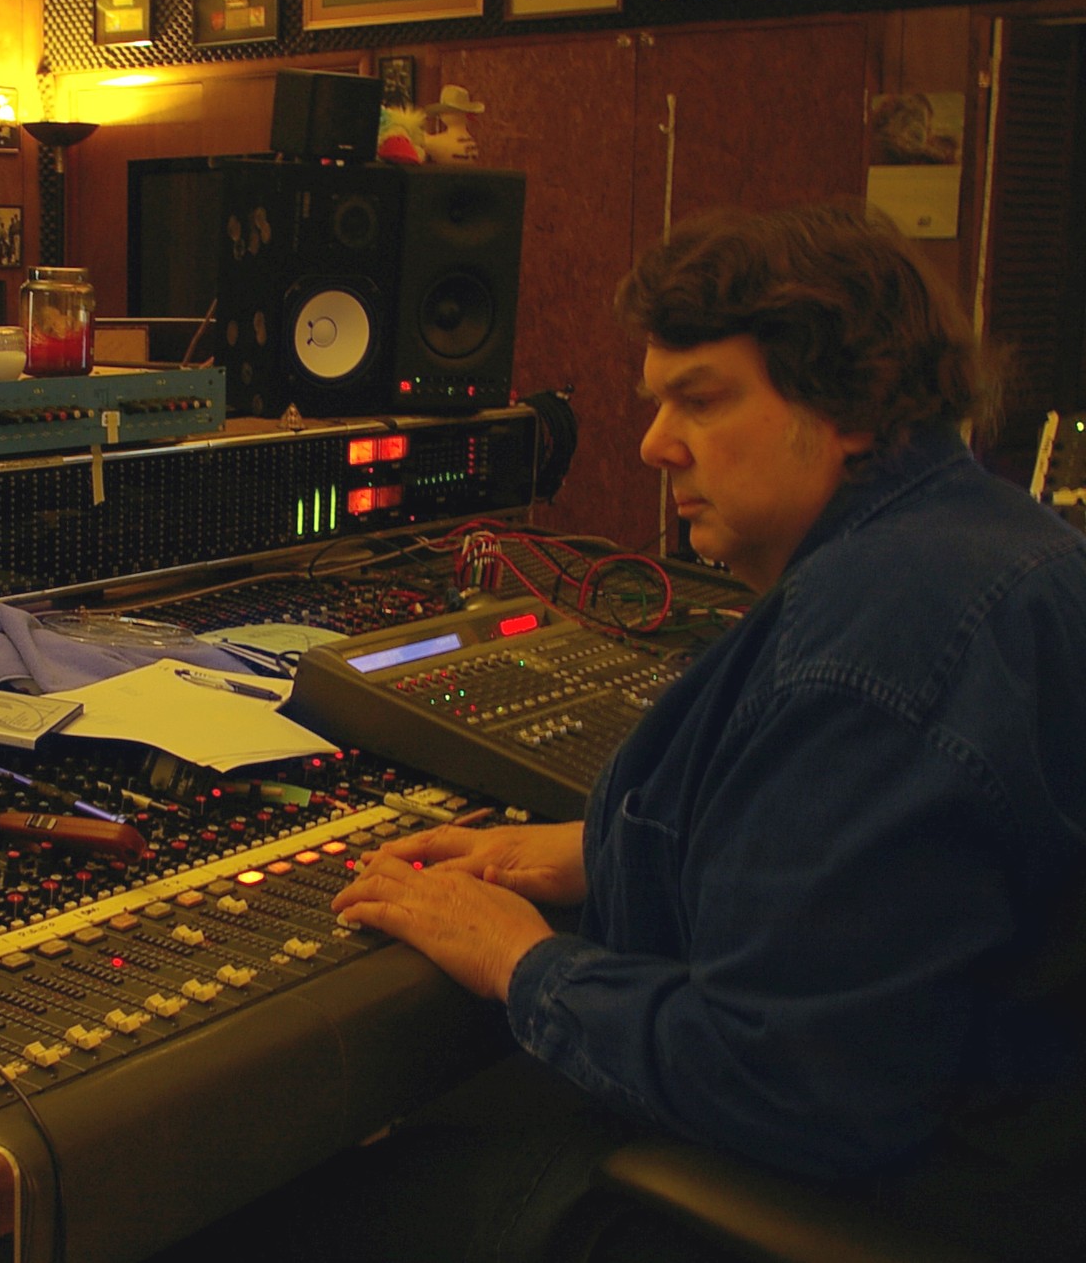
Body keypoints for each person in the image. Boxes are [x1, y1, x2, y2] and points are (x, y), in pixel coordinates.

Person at [318, 201, 1086, 1263]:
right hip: (1000, 1154)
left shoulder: (870, 655)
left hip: (890, 1202)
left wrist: (521, 961)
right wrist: (612, 850)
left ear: (852, 407)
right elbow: (894, 885)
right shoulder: (997, 542)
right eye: (657, 400)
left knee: (309, 1204)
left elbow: (786, 1081)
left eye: (702, 398)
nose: (653, 443)